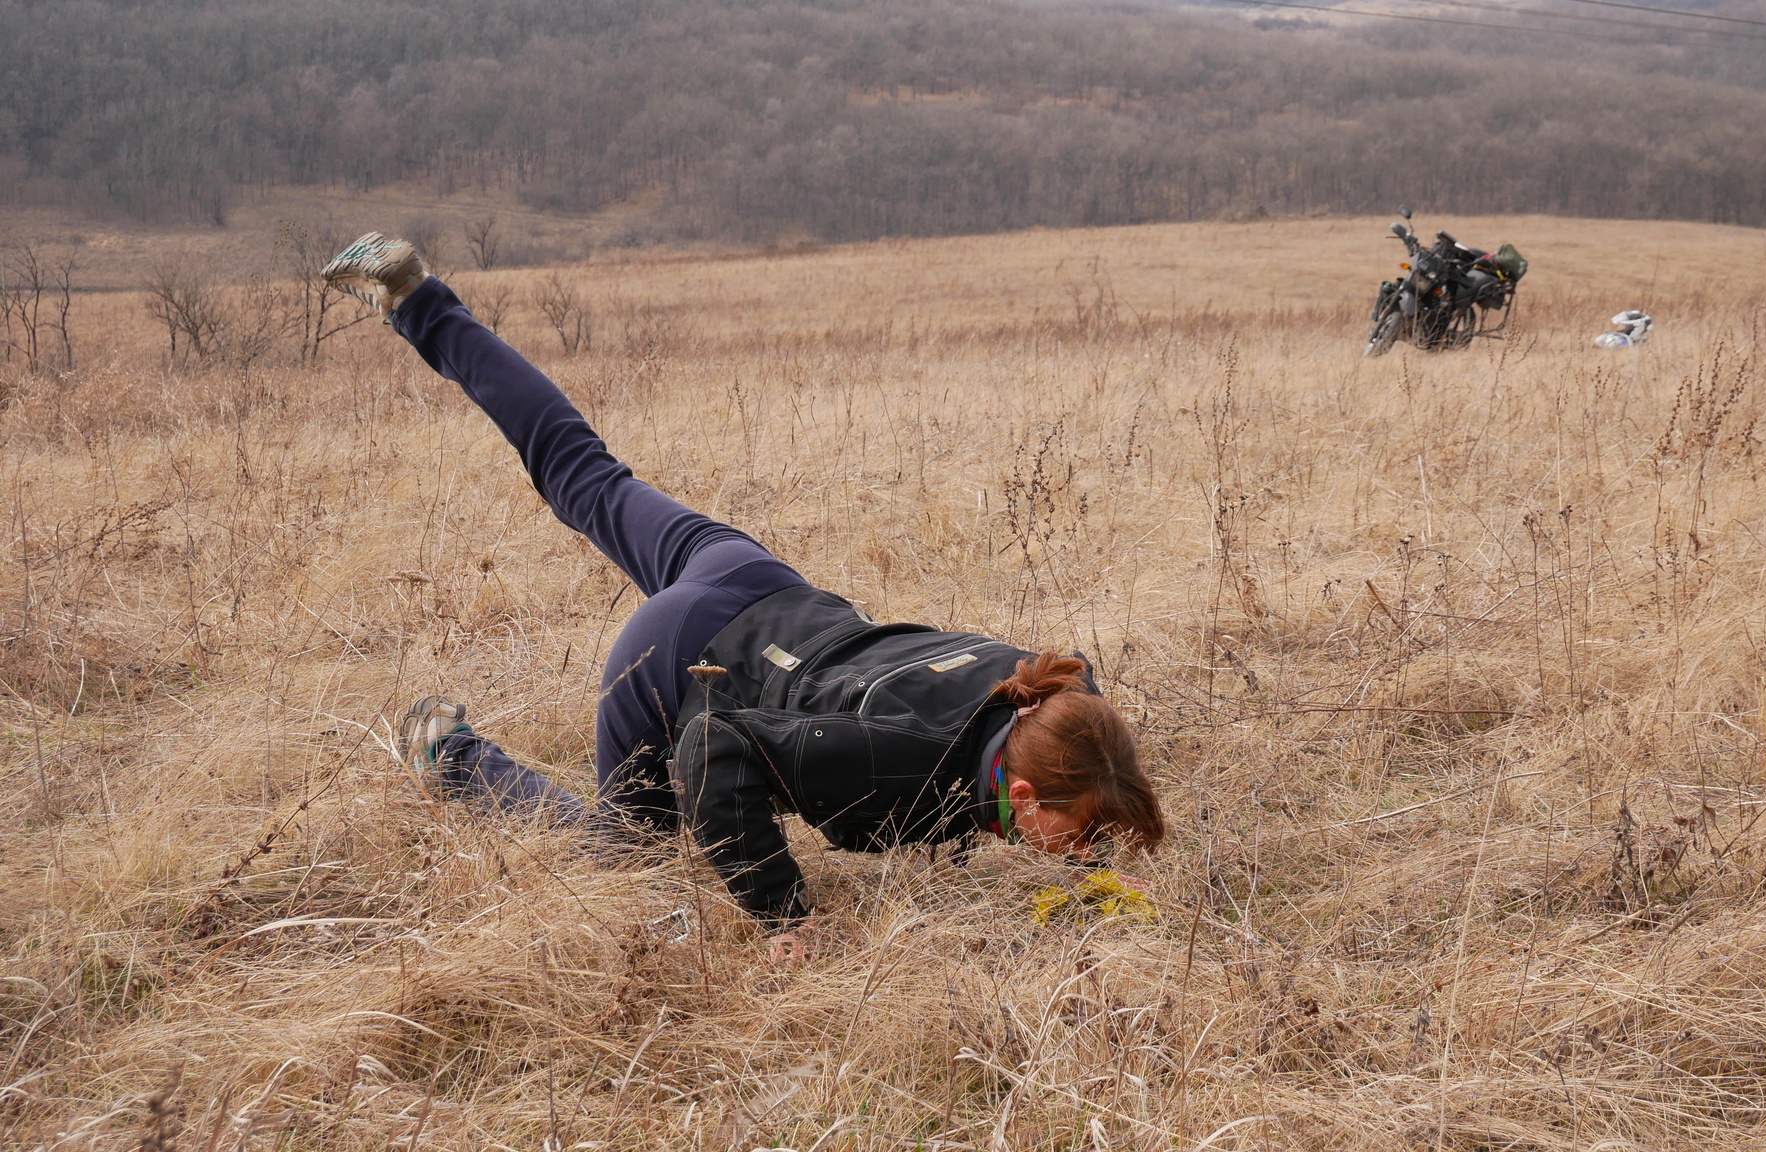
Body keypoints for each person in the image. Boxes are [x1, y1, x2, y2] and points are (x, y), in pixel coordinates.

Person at [321, 233, 1165, 961]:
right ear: (1021, 797)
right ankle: (453, 756)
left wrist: (1093, 864)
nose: (1086, 851)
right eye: (1084, 836)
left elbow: (1080, 742)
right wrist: (779, 916)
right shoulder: (897, 769)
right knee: (630, 857)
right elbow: (715, 748)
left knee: (579, 469)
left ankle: (416, 298)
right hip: (675, 658)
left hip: (749, 577)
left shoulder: (1051, 690)